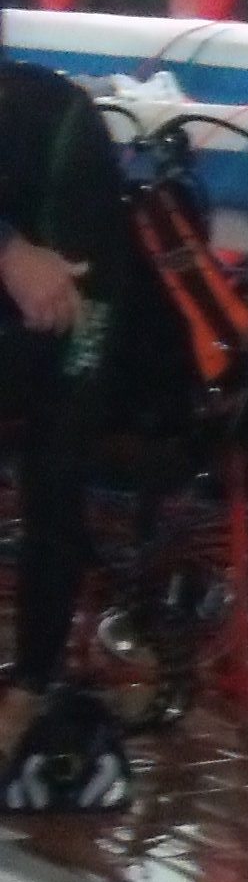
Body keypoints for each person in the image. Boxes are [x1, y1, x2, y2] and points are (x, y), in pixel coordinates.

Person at [0, 51, 132, 761]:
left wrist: (15, 254)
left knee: (55, 472)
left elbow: (64, 293)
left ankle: (33, 684)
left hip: (79, 291)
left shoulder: (48, 119)